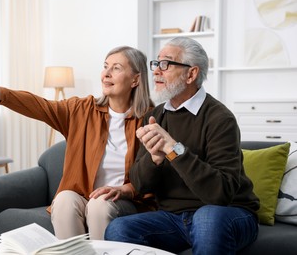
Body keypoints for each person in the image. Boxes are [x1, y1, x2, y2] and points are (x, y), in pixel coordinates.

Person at [0, 46, 154, 240]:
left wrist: (127, 189)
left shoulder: (151, 119)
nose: (106, 74)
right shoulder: (81, 110)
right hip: (84, 195)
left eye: (116, 68)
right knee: (63, 200)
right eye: (105, 67)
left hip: (126, 201)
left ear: (135, 80)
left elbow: (156, 173)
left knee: (99, 206)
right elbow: (38, 105)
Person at [104, 37, 260, 254]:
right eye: (156, 63)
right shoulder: (154, 116)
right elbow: (139, 184)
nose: (157, 71)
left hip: (229, 213)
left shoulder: (219, 118)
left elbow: (220, 194)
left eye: (166, 64)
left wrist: (173, 149)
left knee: (207, 218)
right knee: (119, 229)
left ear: (191, 74)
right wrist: (154, 159)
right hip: (175, 219)